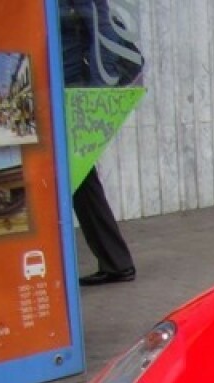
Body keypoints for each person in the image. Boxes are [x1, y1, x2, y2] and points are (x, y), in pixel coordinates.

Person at [59, 0, 140, 285]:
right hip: (54, 88)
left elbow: (103, 31)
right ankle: (116, 261)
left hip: (70, 92)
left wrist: (95, 94)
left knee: (76, 175)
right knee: (77, 177)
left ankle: (116, 261)